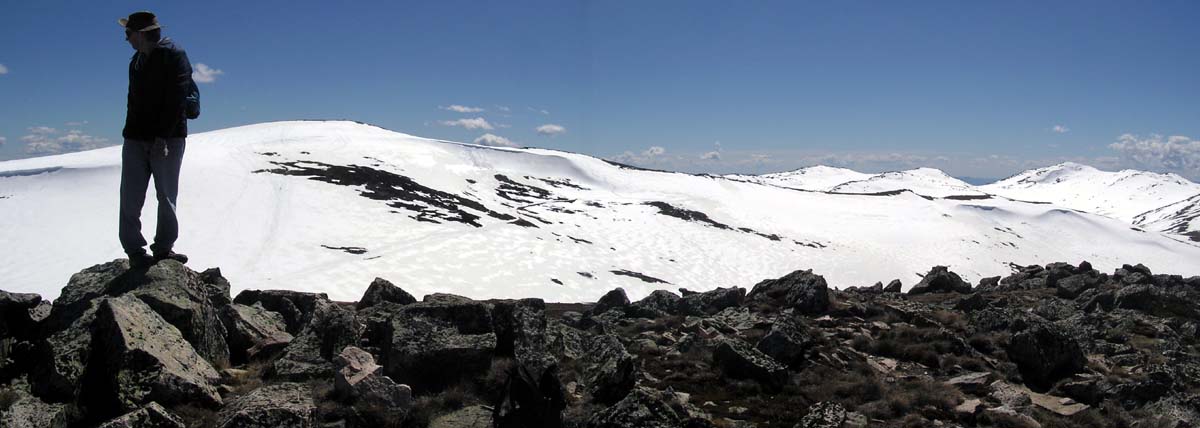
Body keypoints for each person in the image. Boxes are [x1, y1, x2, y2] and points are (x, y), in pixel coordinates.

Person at [118, 11, 192, 269]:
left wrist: (162, 136)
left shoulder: (174, 55)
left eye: (128, 34)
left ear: (140, 34)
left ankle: (163, 249)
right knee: (130, 197)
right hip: (136, 138)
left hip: (167, 139)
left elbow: (177, 98)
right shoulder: (136, 61)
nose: (126, 38)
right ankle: (135, 251)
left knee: (166, 196)